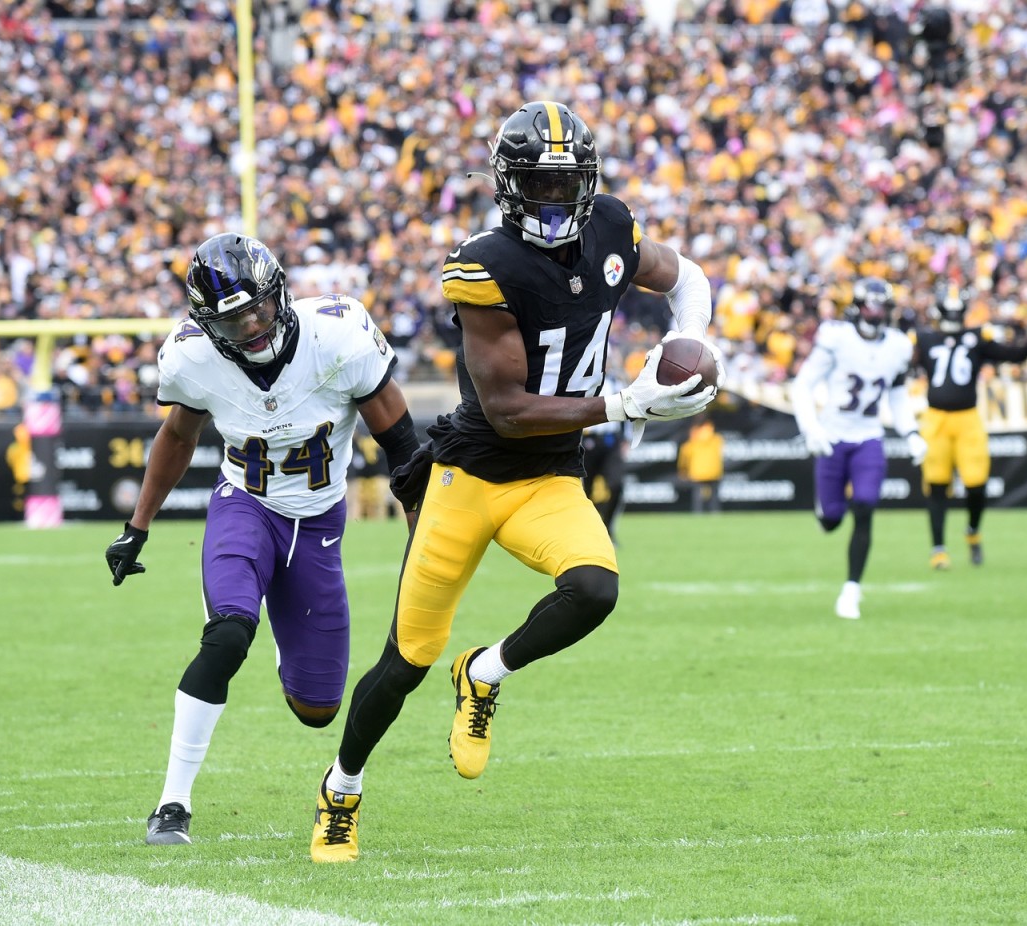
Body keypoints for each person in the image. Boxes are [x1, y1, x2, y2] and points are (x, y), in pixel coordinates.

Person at [309, 100, 722, 863]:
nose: (558, 200)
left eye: (570, 184)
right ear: (509, 185)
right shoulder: (484, 264)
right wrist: (627, 401)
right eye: (542, 184)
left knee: (596, 589)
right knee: (403, 663)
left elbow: (685, 275)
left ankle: (486, 671)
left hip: (551, 477)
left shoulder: (612, 228)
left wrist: (687, 336)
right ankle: (341, 789)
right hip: (470, 476)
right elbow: (504, 411)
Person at [104, 232, 419, 846]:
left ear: (279, 291)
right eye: (231, 318)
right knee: (226, 635)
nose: (250, 325)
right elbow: (176, 437)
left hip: (320, 525)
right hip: (244, 508)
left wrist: (425, 541)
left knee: (317, 710)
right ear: (206, 323)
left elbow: (405, 449)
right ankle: (172, 804)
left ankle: (282, 628)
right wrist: (136, 527)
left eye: (256, 307)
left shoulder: (339, 336)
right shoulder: (193, 359)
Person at [792, 276, 925, 620]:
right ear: (858, 306)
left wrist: (910, 432)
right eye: (871, 305)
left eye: (882, 306)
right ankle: (826, 511)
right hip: (833, 437)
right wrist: (811, 428)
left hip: (869, 437)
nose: (876, 312)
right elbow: (803, 386)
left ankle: (851, 590)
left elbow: (896, 394)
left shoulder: (897, 345)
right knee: (832, 519)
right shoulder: (837, 337)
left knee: (865, 505)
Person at [912, 284, 1027, 569]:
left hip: (967, 418)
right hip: (936, 419)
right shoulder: (924, 338)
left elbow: (1013, 355)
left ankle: (972, 531)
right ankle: (938, 549)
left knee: (975, 483)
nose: (955, 316)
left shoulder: (976, 337)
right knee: (936, 485)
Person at [582, 371, 630, 542]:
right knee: (583, 492)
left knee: (616, 485)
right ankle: (586, 531)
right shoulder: (583, 381)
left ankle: (608, 527)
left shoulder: (615, 382)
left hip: (611, 441)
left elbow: (627, 408)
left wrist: (626, 439)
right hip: (588, 441)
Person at [677, 416, 725, 514]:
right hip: (714, 471)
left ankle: (698, 514)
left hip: (697, 472)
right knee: (714, 497)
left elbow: (685, 454)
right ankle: (715, 514)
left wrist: (682, 470)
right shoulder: (717, 439)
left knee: (697, 497)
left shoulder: (693, 441)